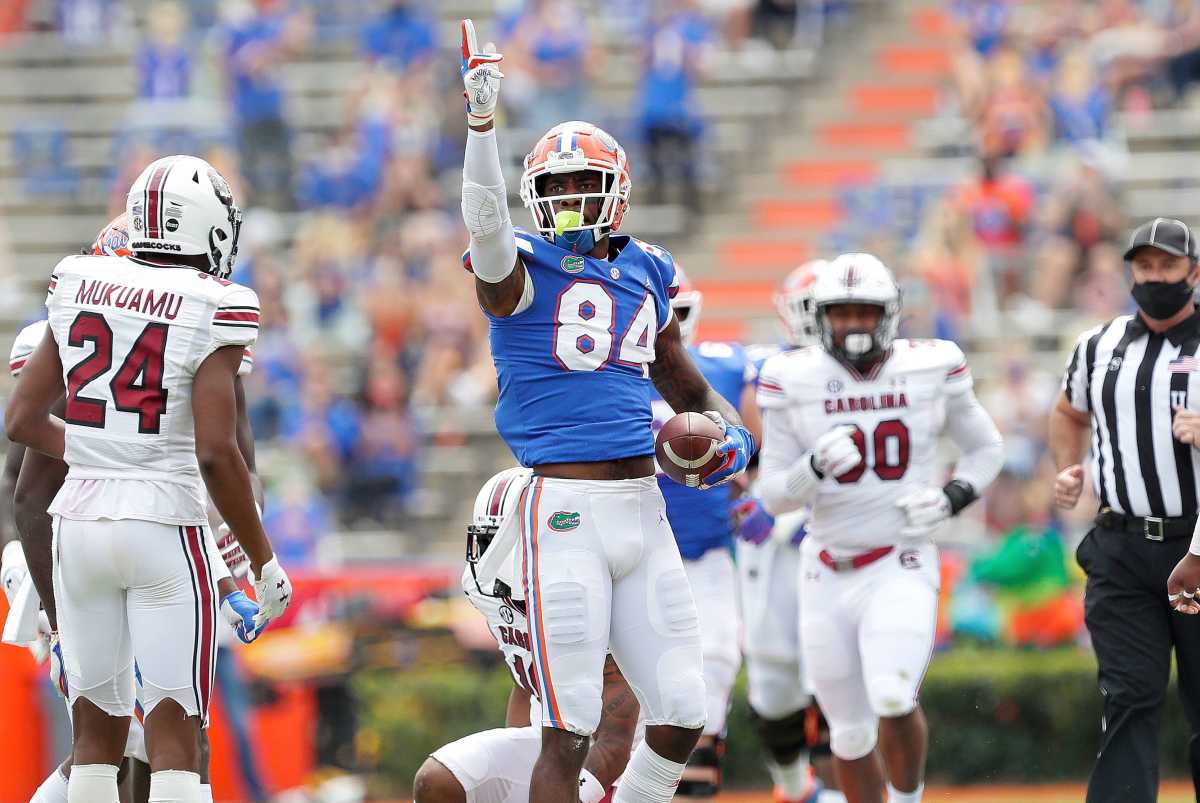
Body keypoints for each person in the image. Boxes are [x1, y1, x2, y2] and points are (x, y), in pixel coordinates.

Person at [459, 20, 755, 803]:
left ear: (615, 188)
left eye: (578, 183)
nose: (565, 198)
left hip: (642, 504)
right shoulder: (516, 267)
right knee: (570, 721)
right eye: (551, 187)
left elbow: (686, 387)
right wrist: (481, 127)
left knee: (686, 706)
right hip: (563, 507)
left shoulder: (649, 270)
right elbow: (485, 223)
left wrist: (733, 433)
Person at [5, 155, 293, 803]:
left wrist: (100, 452)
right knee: (176, 743)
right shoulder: (215, 304)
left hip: (77, 531)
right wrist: (262, 561)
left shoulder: (77, 285)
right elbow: (221, 453)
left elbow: (23, 424)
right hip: (162, 525)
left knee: (95, 745)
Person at [756, 253, 1003, 803]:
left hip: (901, 559)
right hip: (824, 566)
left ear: (888, 313)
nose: (852, 325)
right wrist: (812, 469)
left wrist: (950, 498)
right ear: (821, 317)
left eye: (864, 312)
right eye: (840, 313)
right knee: (847, 731)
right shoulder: (791, 376)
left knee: (892, 695)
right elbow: (772, 495)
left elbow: (986, 449)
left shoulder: (930, 365)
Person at [1054, 218, 1200, 803]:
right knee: (1129, 696)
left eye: (1167, 265)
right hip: (1122, 547)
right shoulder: (1099, 345)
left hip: (1196, 550)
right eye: (1144, 266)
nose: (1155, 276)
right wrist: (1069, 468)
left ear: (1195, 272)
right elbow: (1067, 412)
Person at [412, 467, 641, 803]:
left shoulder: (587, 597)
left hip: (621, 760)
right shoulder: (501, 597)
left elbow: (615, 740)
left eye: (494, 541)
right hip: (551, 745)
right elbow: (525, 684)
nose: (483, 554)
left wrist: (571, 794)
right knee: (437, 781)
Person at [649, 270, 760, 798]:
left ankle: (696, 779)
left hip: (707, 546)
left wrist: (750, 484)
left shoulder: (722, 369)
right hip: (639, 548)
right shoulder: (612, 372)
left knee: (718, 654)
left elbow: (755, 443)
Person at [736, 259, 843, 803]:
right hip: (779, 543)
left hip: (846, 534)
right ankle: (794, 788)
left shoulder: (879, 373)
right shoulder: (767, 371)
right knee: (774, 678)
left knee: (850, 669)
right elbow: (755, 467)